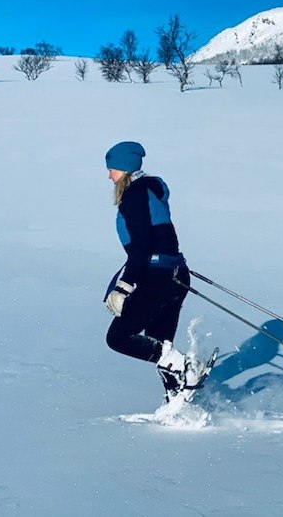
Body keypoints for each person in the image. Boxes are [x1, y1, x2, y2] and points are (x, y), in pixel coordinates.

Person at [103, 141, 199, 401]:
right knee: (159, 344)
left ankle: (186, 369)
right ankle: (178, 400)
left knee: (119, 337)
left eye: (112, 169)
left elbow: (141, 248)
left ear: (125, 169)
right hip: (175, 274)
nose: (109, 175)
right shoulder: (150, 191)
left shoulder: (133, 196)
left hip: (158, 278)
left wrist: (123, 287)